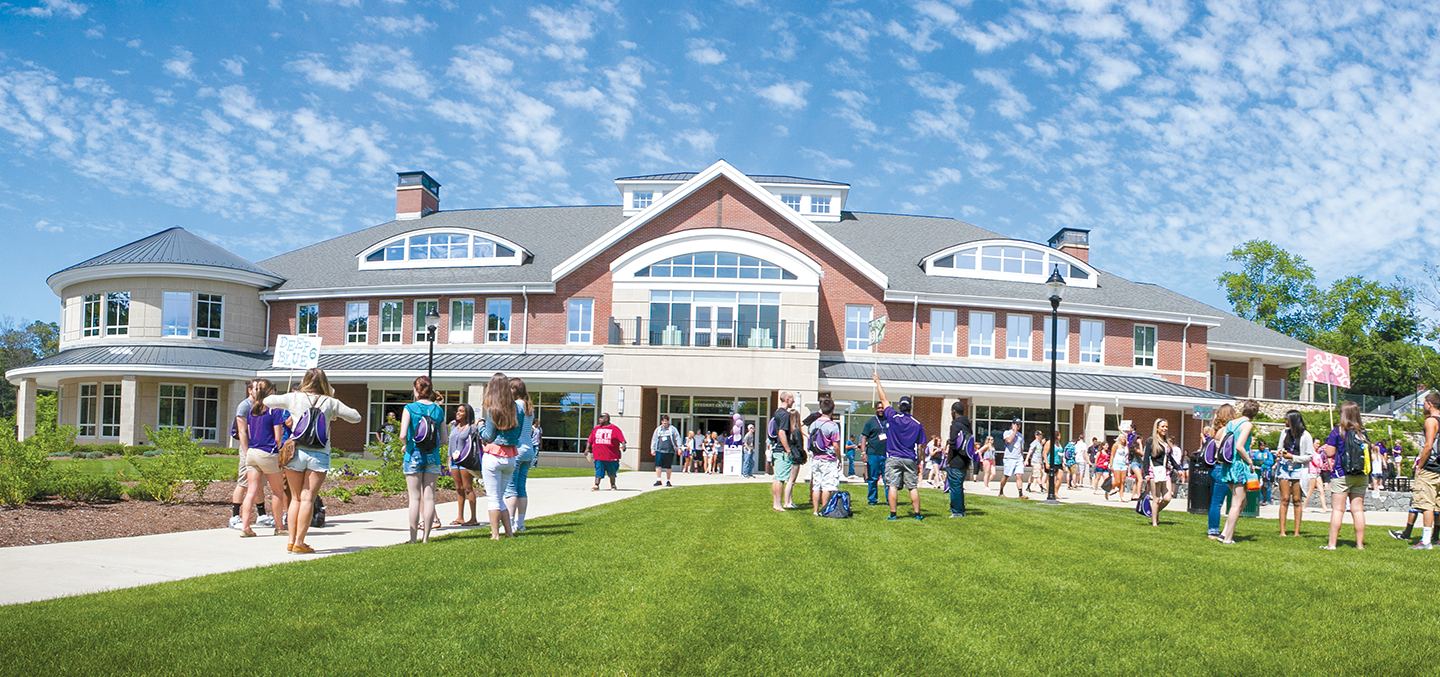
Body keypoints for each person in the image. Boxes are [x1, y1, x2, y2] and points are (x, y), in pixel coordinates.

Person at [264, 367, 361, 555]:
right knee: (308, 498)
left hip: (296, 453)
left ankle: (291, 541)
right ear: (324, 383)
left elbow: (268, 401)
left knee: (295, 498)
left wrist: (291, 399)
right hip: (319, 454)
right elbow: (356, 417)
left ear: (304, 381)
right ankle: (301, 542)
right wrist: (331, 397)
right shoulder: (330, 402)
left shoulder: (294, 398)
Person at [237, 378, 287, 538]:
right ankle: (279, 526)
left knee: (251, 491)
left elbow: (250, 432)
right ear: (269, 392)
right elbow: (278, 437)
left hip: (252, 453)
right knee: (278, 491)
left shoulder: (252, 410)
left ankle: (245, 527)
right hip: (268, 452)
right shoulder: (274, 410)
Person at [398, 376, 446, 544]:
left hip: (413, 454)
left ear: (416, 390)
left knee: (414, 498)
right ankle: (426, 537)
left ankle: (413, 539)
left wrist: (406, 444)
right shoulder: (438, 410)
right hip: (432, 455)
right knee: (430, 497)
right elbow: (444, 439)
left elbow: (403, 434)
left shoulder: (409, 408)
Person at [871, 373, 925, 520]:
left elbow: (883, 399)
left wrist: (878, 382)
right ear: (911, 407)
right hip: (909, 458)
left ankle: (893, 514)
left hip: (893, 457)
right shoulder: (917, 424)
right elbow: (920, 446)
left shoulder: (893, 418)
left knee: (892, 486)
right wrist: (919, 462)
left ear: (900, 406)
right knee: (912, 487)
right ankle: (917, 514)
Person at [478, 373, 525, 539]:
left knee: (493, 498)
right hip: (511, 456)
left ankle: (495, 534)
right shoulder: (518, 408)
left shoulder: (492, 409)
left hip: (494, 454)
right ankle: (509, 533)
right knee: (500, 496)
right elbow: (518, 433)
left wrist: (480, 426)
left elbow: (488, 436)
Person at [1321, 401, 1370, 551]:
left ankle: (1332, 544)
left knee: (1338, 510)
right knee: (1357, 510)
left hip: (1341, 474)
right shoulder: (1363, 432)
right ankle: (1360, 545)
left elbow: (1330, 453)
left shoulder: (1337, 431)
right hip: (1361, 475)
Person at [1217, 400, 1259, 545]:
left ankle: (1223, 533)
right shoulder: (1247, 425)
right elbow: (1240, 446)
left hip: (1228, 466)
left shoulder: (1231, 423)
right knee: (1236, 504)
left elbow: (1222, 443)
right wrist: (1250, 461)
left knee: (1243, 502)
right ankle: (1228, 538)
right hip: (1239, 466)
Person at [504, 377, 537, 532]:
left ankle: (509, 523)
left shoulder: (516, 406)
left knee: (510, 489)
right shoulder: (529, 407)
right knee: (521, 488)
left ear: (514, 390)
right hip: (528, 450)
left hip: (516, 450)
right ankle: (521, 523)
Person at [1274, 410, 1313, 537]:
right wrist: (1280, 453)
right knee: (1284, 499)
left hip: (1298, 468)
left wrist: (1293, 457)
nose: (1285, 421)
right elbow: (1280, 447)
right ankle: (1282, 532)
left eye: (1286, 419)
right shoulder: (1284, 433)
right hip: (1284, 467)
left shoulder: (1306, 435)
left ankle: (1297, 532)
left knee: (1297, 500)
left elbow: (1309, 457)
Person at [808, 396, 842, 516]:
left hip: (816, 458)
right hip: (828, 459)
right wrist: (839, 459)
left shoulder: (813, 424)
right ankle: (825, 510)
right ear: (832, 410)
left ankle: (815, 510)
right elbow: (836, 446)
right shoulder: (832, 425)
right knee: (827, 486)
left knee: (816, 485)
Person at [449, 404, 480, 527]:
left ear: (467, 414)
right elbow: (450, 445)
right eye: (457, 411)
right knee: (459, 488)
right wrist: (449, 460)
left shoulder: (472, 428)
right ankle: (460, 517)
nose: (458, 413)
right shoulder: (454, 427)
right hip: (454, 461)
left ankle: (473, 517)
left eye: (461, 411)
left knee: (468, 488)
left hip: (466, 460)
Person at [770, 391, 802, 511]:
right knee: (780, 478)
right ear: (787, 400)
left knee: (778, 477)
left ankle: (776, 503)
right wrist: (788, 449)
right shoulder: (784, 414)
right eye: (792, 399)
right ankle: (777, 504)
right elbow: (781, 432)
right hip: (782, 451)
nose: (793, 401)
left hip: (778, 450)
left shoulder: (777, 412)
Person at [946, 401, 974, 517]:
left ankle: (957, 511)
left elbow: (953, 444)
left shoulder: (955, 425)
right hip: (965, 459)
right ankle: (960, 509)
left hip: (956, 461)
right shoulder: (968, 425)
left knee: (955, 486)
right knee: (959, 485)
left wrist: (949, 460)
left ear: (953, 411)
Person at [1144, 419, 1174, 527]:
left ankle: (1153, 512)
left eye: (1166, 426)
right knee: (1156, 498)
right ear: (1157, 428)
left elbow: (1171, 458)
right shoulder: (1151, 441)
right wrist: (1146, 473)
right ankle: (1154, 523)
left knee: (1167, 497)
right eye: (1162, 427)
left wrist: (1178, 468)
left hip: (1165, 470)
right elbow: (1146, 458)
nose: (1165, 429)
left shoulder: (1166, 442)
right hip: (1154, 470)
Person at [585, 412, 625, 491]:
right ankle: (596, 485)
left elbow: (622, 440)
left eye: (601, 418)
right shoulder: (596, 428)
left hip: (611, 456)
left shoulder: (615, 429)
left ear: (606, 419)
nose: (599, 419)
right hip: (599, 455)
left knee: (612, 472)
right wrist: (587, 449)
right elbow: (590, 440)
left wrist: (623, 445)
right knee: (598, 470)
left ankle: (613, 485)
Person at [861, 405, 888, 505]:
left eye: (882, 408)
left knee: (888, 479)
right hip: (873, 454)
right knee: (872, 478)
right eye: (879, 408)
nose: (881, 410)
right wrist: (863, 453)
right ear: (876, 409)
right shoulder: (870, 422)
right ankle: (872, 500)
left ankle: (890, 500)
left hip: (886, 454)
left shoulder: (889, 421)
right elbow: (864, 438)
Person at [999, 418, 1027, 499]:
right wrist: (1014, 431)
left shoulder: (1020, 435)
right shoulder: (1007, 433)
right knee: (1006, 475)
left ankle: (1021, 494)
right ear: (1012, 424)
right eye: (1016, 424)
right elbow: (1009, 441)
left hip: (1018, 458)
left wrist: (1023, 457)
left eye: (1019, 424)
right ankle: (1001, 491)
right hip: (1009, 458)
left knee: (1019, 475)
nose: (1018, 426)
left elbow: (1021, 447)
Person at [651, 414, 681, 487]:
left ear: (668, 421)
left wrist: (679, 448)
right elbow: (654, 440)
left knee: (668, 466)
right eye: (663, 421)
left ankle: (668, 480)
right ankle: (658, 480)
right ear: (661, 422)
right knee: (658, 465)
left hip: (669, 450)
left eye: (666, 421)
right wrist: (652, 449)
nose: (665, 422)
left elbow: (677, 438)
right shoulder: (658, 430)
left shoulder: (672, 429)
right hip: (659, 450)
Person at [1025, 430, 1044, 494]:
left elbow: (1040, 454)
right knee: (1037, 475)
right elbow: (1030, 451)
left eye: (1041, 435)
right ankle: (1042, 488)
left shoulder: (1039, 444)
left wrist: (1041, 462)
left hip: (1038, 461)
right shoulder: (1034, 443)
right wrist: (1026, 460)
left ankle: (1028, 487)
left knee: (1033, 475)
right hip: (1035, 461)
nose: (1040, 437)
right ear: (1036, 436)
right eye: (1039, 435)